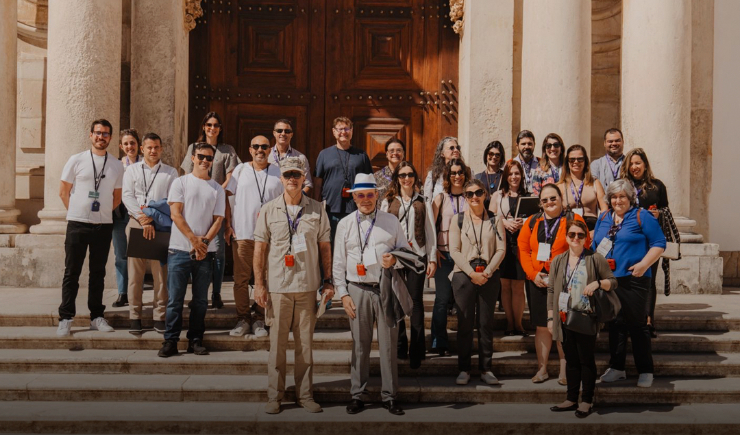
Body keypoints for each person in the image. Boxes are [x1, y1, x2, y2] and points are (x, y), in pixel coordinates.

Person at [252, 157, 333, 415]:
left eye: (296, 174)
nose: (292, 179)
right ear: (281, 178)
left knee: (305, 346)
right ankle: (275, 396)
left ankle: (305, 395)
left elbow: (325, 249)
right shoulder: (268, 210)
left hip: (307, 285)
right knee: (277, 346)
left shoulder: (318, 210)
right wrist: (259, 284)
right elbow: (259, 250)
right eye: (287, 174)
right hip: (278, 286)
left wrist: (328, 281)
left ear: (304, 178)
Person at [334, 173, 409, 416]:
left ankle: (389, 396)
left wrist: (395, 259)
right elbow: (338, 264)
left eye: (369, 194)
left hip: (385, 286)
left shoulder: (391, 221)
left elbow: (406, 252)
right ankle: (358, 394)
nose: (365, 199)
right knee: (360, 346)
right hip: (358, 289)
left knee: (388, 346)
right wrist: (343, 294)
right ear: (354, 197)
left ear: (376, 195)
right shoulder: (345, 224)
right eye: (360, 195)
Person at [594, 179, 666, 388]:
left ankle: (645, 369)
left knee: (637, 325)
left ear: (630, 198)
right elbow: (596, 244)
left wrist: (644, 264)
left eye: (622, 196)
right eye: (614, 197)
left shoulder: (641, 216)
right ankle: (617, 368)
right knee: (615, 324)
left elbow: (659, 243)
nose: (618, 200)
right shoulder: (605, 217)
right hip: (610, 279)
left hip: (635, 279)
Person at [56, 119, 125, 337]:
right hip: (77, 224)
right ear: (90, 135)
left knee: (98, 273)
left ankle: (97, 316)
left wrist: (100, 212)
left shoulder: (115, 164)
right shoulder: (76, 160)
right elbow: (63, 191)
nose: (101, 137)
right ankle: (66, 318)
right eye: (97, 133)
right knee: (72, 272)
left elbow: (117, 197)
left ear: (110, 138)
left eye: (105, 134)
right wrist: (77, 211)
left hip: (103, 225)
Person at [518, 183, 590, 384]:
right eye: (545, 200)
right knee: (542, 326)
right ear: (540, 204)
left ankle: (564, 370)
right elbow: (523, 249)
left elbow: (585, 245)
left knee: (564, 324)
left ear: (561, 199)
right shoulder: (532, 222)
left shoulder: (573, 220)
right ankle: (542, 369)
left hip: (565, 282)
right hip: (538, 281)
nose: (549, 202)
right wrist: (533, 275)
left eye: (553, 198)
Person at [158, 143, 226, 358]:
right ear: (193, 158)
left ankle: (195, 339)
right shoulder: (180, 182)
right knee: (175, 299)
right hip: (179, 249)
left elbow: (218, 220)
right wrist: (193, 241)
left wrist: (203, 243)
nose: (205, 161)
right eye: (201, 156)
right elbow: (176, 214)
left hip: (205, 253)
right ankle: (170, 340)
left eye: (209, 158)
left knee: (200, 300)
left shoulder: (217, 188)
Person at [548, 219, 617, 418]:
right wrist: (551, 319)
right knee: (570, 360)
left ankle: (586, 400)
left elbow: (613, 282)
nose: (576, 238)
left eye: (580, 235)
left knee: (586, 359)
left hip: (586, 317)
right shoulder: (558, 260)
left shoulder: (595, 258)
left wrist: (597, 283)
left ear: (586, 238)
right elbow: (552, 290)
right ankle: (571, 398)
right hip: (563, 317)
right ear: (566, 237)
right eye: (572, 235)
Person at [224, 135, 283, 338]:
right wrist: (228, 225)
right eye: (256, 146)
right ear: (250, 150)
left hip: (271, 236)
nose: (260, 149)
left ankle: (259, 318)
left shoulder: (278, 172)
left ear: (270, 150)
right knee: (241, 279)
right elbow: (227, 197)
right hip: (243, 233)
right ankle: (243, 319)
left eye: (264, 146)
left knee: (266, 278)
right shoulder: (240, 170)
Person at [380, 161, 437, 368]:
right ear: (397, 178)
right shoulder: (388, 201)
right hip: (396, 257)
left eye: (410, 174)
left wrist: (431, 258)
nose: (406, 178)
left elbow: (430, 231)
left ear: (415, 176)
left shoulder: (423, 200)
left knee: (415, 302)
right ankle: (400, 345)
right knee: (397, 301)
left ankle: (417, 349)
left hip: (417, 256)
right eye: (402, 175)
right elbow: (383, 232)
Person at [449, 179, 506, 385]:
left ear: (485, 194)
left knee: (485, 324)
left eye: (479, 192)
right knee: (465, 324)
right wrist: (472, 273)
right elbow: (453, 250)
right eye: (470, 194)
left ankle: (486, 368)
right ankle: (464, 368)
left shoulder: (495, 219)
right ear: (465, 197)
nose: (474, 197)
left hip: (489, 275)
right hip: (465, 274)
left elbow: (501, 249)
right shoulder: (458, 219)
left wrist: (488, 272)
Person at [121, 132, 178, 333]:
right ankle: (135, 315)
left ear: (161, 149)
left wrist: (152, 217)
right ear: (142, 149)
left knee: (160, 274)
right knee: (135, 273)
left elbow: (172, 200)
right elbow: (127, 196)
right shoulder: (132, 171)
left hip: (161, 225)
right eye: (149, 147)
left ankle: (159, 316)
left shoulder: (171, 173)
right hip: (137, 223)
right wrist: (142, 218)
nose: (153, 151)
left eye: (156, 147)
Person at [181, 112, 239, 309]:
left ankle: (216, 294)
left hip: (218, 205)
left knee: (218, 253)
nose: (212, 128)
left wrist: (216, 192)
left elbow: (231, 176)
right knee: (197, 249)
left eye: (216, 125)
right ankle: (200, 294)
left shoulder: (227, 150)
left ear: (220, 128)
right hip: (196, 206)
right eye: (209, 125)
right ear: (204, 127)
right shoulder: (193, 148)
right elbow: (187, 174)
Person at [620, 148, 671, 337]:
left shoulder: (657, 186)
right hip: (629, 240)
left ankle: (648, 320)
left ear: (645, 165)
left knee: (648, 279)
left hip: (650, 241)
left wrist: (659, 214)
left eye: (638, 163)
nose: (635, 167)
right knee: (626, 279)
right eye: (631, 163)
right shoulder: (622, 186)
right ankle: (627, 318)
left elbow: (667, 210)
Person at [431, 158, 471, 356]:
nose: (457, 176)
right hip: (444, 254)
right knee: (442, 299)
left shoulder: (470, 197)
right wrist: (433, 251)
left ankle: (466, 342)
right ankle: (439, 341)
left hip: (464, 255)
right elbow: (431, 228)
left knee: (464, 301)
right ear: (448, 175)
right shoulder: (440, 198)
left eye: (460, 172)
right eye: (453, 172)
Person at [314, 117, 373, 244]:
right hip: (331, 209)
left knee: (355, 244)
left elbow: (369, 183)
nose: (343, 132)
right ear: (334, 132)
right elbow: (318, 182)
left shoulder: (361, 155)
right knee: (332, 245)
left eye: (347, 129)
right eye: (340, 129)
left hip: (356, 208)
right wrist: (317, 206)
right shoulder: (324, 154)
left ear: (351, 131)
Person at [489, 160, 528, 336]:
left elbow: (536, 219)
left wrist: (523, 223)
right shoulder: (498, 196)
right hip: (503, 244)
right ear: (506, 176)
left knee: (519, 287)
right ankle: (509, 323)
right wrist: (503, 222)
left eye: (517, 173)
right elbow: (489, 218)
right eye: (511, 173)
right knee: (505, 286)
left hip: (521, 245)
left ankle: (518, 324)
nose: (514, 177)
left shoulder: (529, 195)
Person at [111, 128, 141, 308]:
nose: (130, 146)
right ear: (121, 146)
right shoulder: (116, 165)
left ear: (138, 145)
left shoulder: (145, 164)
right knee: (120, 255)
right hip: (119, 214)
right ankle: (123, 292)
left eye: (133, 143)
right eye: (126, 144)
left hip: (138, 215)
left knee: (138, 256)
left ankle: (135, 293)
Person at [558, 145, 608, 232]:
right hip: (568, 231)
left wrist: (597, 230)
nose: (576, 162)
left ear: (585, 161)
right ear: (567, 162)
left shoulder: (595, 183)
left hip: (592, 229)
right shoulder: (560, 186)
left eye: (580, 159)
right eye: (572, 159)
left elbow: (605, 209)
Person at [270, 118, 313, 194]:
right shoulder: (266, 156)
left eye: (287, 131)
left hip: (292, 203)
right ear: (274, 133)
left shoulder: (301, 157)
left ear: (291, 134)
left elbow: (308, 184)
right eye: (279, 131)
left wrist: (297, 198)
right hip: (271, 201)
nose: (283, 133)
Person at [424, 136, 461, 204]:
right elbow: (427, 202)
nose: (456, 150)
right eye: (451, 148)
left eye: (457, 148)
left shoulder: (467, 172)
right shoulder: (433, 175)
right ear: (442, 153)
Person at [475, 140, 505, 208]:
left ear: (501, 157)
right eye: (491, 154)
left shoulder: (505, 176)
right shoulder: (478, 177)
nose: (494, 157)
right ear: (486, 155)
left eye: (497, 155)